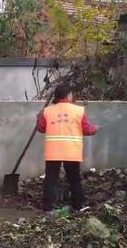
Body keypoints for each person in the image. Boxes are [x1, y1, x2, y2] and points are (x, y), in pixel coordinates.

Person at [37, 84, 97, 212]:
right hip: (71, 151)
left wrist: (38, 118)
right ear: (69, 95)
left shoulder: (47, 111)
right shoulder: (78, 111)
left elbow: (41, 129)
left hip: (53, 152)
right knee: (74, 179)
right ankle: (78, 206)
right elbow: (87, 129)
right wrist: (95, 129)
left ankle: (47, 208)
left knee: (50, 179)